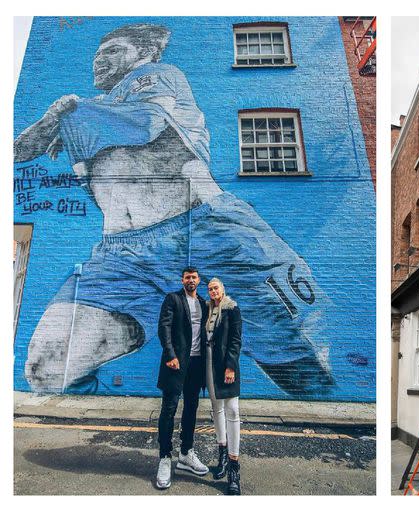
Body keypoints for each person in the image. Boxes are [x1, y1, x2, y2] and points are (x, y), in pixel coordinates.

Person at [15, 23, 333, 397]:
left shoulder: (158, 76)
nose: (101, 59)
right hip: (122, 256)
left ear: (145, 53)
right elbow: (20, 151)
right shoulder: (85, 112)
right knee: (46, 368)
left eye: (114, 50)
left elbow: (147, 125)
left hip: (209, 233)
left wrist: (79, 112)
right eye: (99, 53)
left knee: (303, 376)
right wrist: (56, 116)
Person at [156, 267, 209, 490]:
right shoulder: (173, 299)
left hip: (196, 364)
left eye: (194, 277)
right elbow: (164, 327)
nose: (190, 280)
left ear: (198, 281)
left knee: (191, 408)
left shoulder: (204, 304)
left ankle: (186, 453)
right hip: (176, 363)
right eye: (187, 277)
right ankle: (165, 457)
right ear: (182, 280)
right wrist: (170, 355)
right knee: (169, 408)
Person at [205, 278, 243, 495]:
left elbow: (236, 340)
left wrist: (230, 366)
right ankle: (222, 453)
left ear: (223, 289)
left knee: (233, 410)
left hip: (226, 365)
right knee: (216, 408)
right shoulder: (208, 310)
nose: (213, 291)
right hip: (209, 364)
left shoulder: (232, 309)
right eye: (210, 289)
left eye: (215, 287)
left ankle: (234, 465)